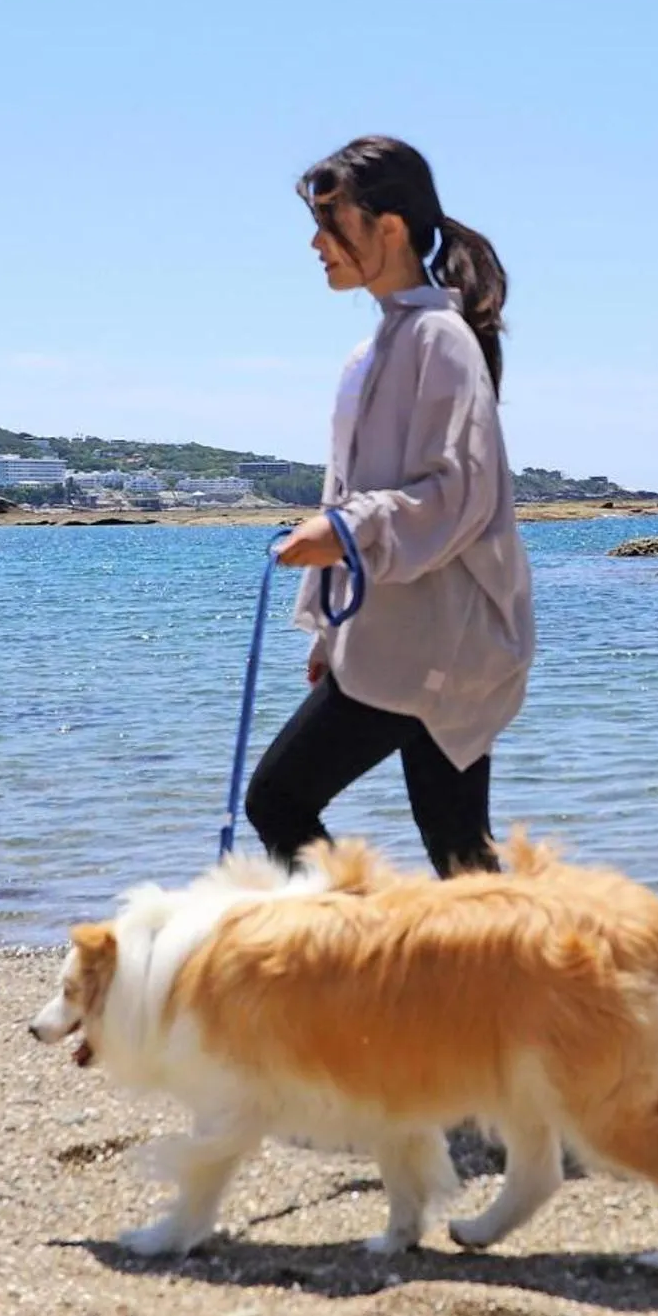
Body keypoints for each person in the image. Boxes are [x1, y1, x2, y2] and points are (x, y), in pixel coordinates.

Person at [245, 135, 535, 877]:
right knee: (461, 854)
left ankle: (363, 966)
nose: (316, 243)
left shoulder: (440, 340)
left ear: (390, 227)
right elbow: (350, 492)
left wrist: (342, 532)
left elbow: (456, 493)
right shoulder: (373, 354)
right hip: (401, 640)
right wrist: (329, 632)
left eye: (331, 222)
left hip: (433, 645)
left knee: (277, 801)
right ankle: (493, 985)